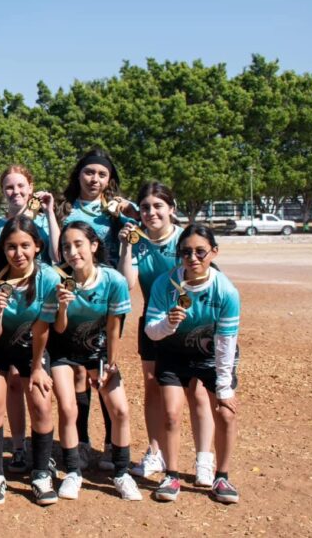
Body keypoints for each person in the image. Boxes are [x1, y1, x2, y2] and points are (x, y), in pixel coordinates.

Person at [118, 182, 215, 486]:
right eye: (145, 207)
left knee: (196, 391)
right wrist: (126, 246)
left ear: (172, 209)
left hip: (191, 323)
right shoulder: (138, 240)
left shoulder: (185, 240)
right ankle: (156, 452)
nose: (151, 212)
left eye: (158, 206)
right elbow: (127, 283)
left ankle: (204, 459)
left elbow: (206, 277)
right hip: (154, 322)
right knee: (153, 387)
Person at [145, 224, 242, 504]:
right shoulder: (164, 284)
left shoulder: (226, 291)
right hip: (174, 355)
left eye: (201, 251)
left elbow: (226, 342)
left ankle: (221, 477)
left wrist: (224, 386)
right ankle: (171, 475)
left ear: (214, 252)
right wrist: (168, 323)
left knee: (225, 413)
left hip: (212, 356)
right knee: (171, 414)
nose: (193, 258)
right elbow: (151, 332)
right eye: (186, 252)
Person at [0, 164, 61, 473]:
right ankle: (19, 447)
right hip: (4, 314)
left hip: (36, 312)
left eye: (21, 186)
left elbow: (58, 256)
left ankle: (44, 455)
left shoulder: (42, 227)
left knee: (39, 388)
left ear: (31, 187)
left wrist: (50, 212)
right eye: (9, 187)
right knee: (10, 383)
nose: (15, 192)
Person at [58, 149, 139, 471]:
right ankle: (80, 441)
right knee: (77, 369)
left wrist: (131, 210)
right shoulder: (65, 209)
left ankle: (110, 443)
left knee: (105, 366)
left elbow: (145, 228)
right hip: (73, 294)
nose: (95, 179)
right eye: (89, 172)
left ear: (110, 179)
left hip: (107, 295)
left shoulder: (115, 211)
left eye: (102, 174)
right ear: (78, 174)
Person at [49, 222, 142, 500]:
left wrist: (110, 365)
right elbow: (59, 329)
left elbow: (114, 327)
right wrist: (62, 306)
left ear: (93, 245)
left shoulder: (113, 280)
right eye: (66, 247)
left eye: (78, 244)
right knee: (68, 409)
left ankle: (121, 472)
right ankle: (73, 472)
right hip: (64, 352)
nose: (72, 252)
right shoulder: (57, 279)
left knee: (120, 410)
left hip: (98, 352)